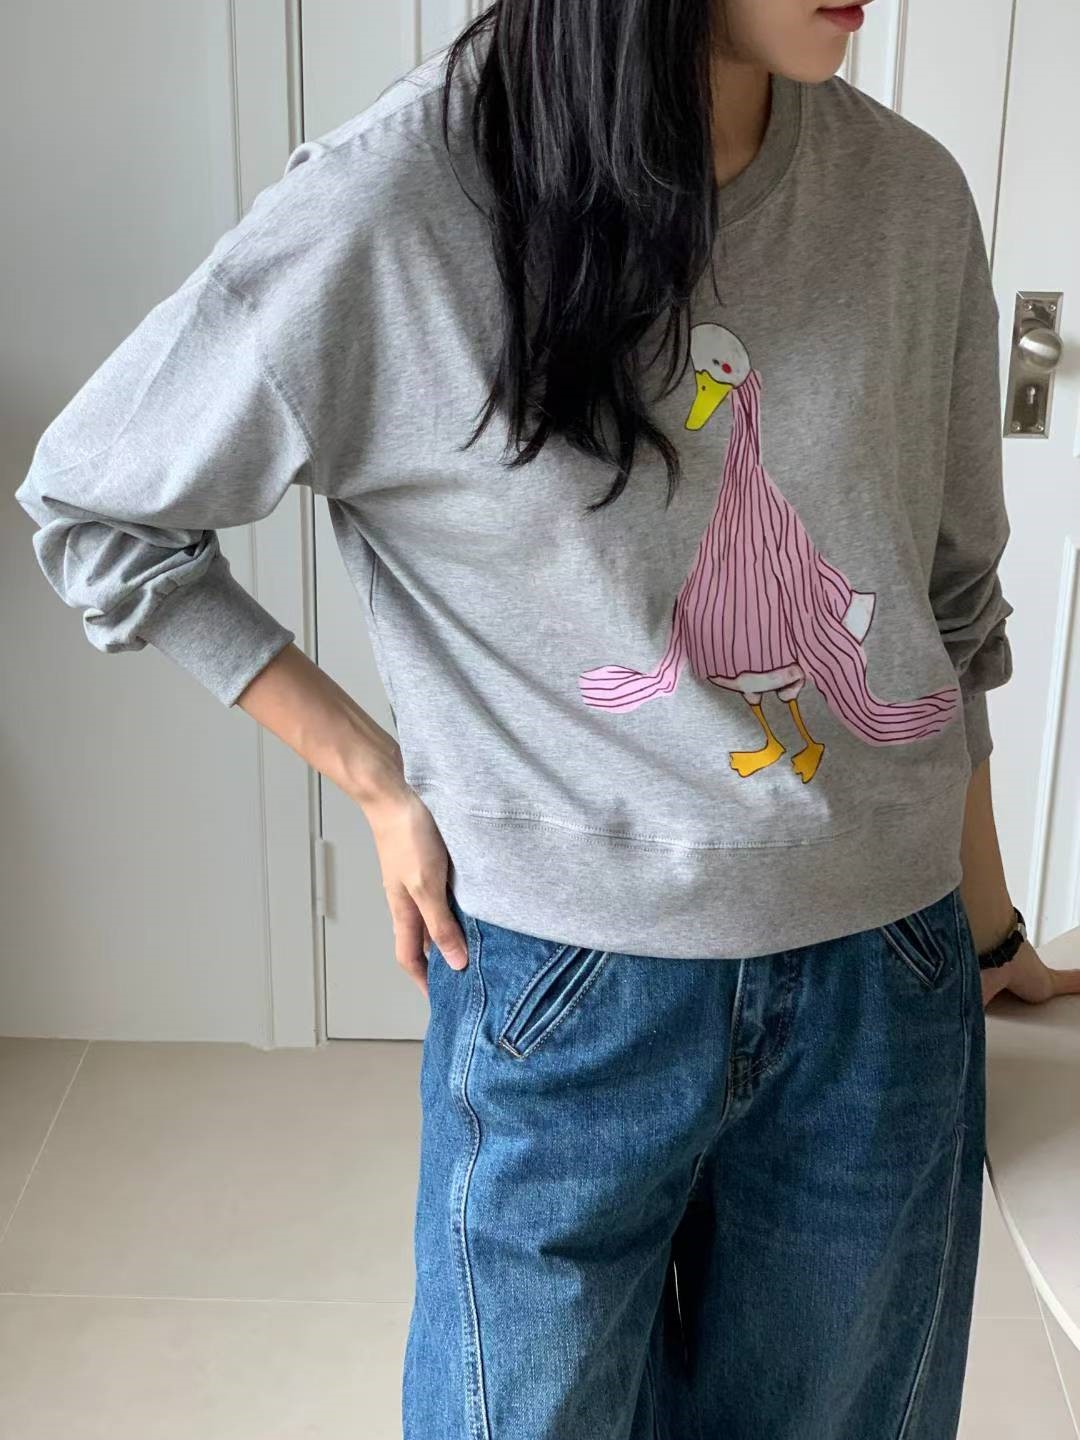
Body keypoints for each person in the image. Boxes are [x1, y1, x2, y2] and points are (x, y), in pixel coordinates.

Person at [14, 1, 1080, 1435]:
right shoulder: (401, 204)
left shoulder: (910, 196)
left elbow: (947, 608)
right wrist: (379, 781)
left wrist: (986, 928)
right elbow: (96, 507)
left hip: (883, 983)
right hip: (569, 994)